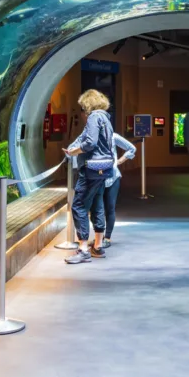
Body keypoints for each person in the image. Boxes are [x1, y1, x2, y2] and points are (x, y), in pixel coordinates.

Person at [62, 90, 115, 264]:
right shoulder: (106, 118)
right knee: (98, 204)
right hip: (104, 168)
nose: (83, 111)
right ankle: (98, 247)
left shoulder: (94, 117)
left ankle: (83, 248)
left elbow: (90, 143)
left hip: (91, 168)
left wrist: (73, 151)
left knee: (78, 205)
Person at [103, 132, 136, 247]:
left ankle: (107, 237)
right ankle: (99, 237)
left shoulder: (112, 136)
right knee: (97, 209)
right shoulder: (90, 135)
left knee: (110, 207)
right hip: (97, 179)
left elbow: (132, 148)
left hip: (113, 177)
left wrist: (118, 162)